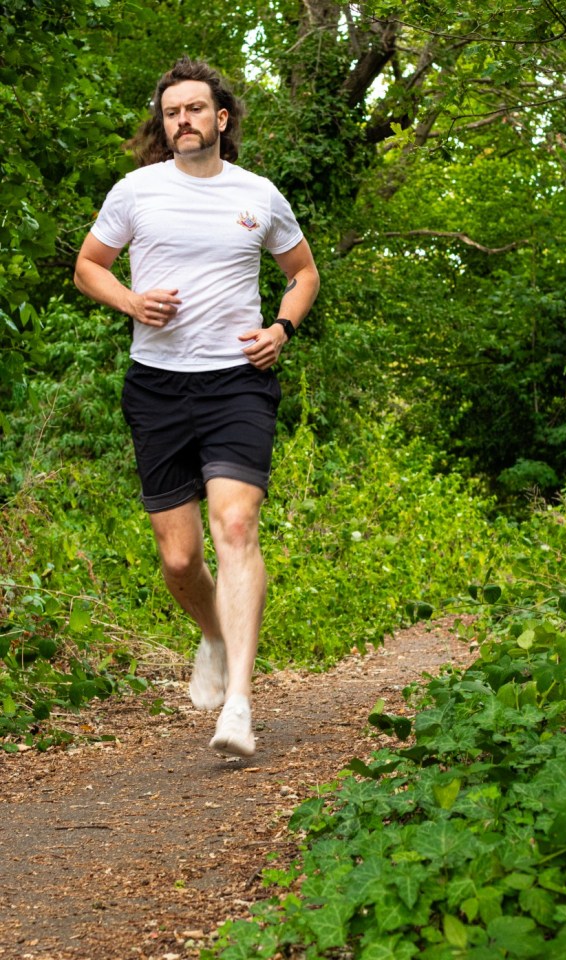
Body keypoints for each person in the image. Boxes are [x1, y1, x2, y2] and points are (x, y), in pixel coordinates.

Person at [74, 57, 320, 758]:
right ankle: (212, 635)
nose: (182, 120)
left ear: (222, 118)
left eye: (194, 109)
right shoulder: (137, 191)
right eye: (171, 111)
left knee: (236, 524)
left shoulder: (259, 195)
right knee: (181, 560)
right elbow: (89, 264)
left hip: (237, 382)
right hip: (157, 386)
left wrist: (281, 329)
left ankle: (240, 704)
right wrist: (129, 299)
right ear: (165, 123)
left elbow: (303, 274)